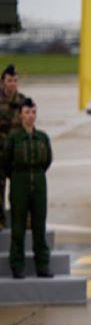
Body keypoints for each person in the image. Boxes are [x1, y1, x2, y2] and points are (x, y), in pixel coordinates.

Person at [4, 98, 52, 278]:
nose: (30, 116)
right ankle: (17, 266)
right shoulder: (14, 138)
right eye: (27, 112)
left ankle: (43, 266)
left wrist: (36, 174)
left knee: (39, 226)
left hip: (39, 182)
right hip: (19, 182)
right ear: (21, 115)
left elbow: (47, 161)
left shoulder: (43, 138)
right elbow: (6, 162)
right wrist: (17, 178)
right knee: (18, 227)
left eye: (33, 112)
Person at [0, 64, 26, 230]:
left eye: (15, 80)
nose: (12, 84)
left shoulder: (23, 102)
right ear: (2, 82)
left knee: (19, 192)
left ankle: (20, 222)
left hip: (15, 156)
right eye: (9, 80)